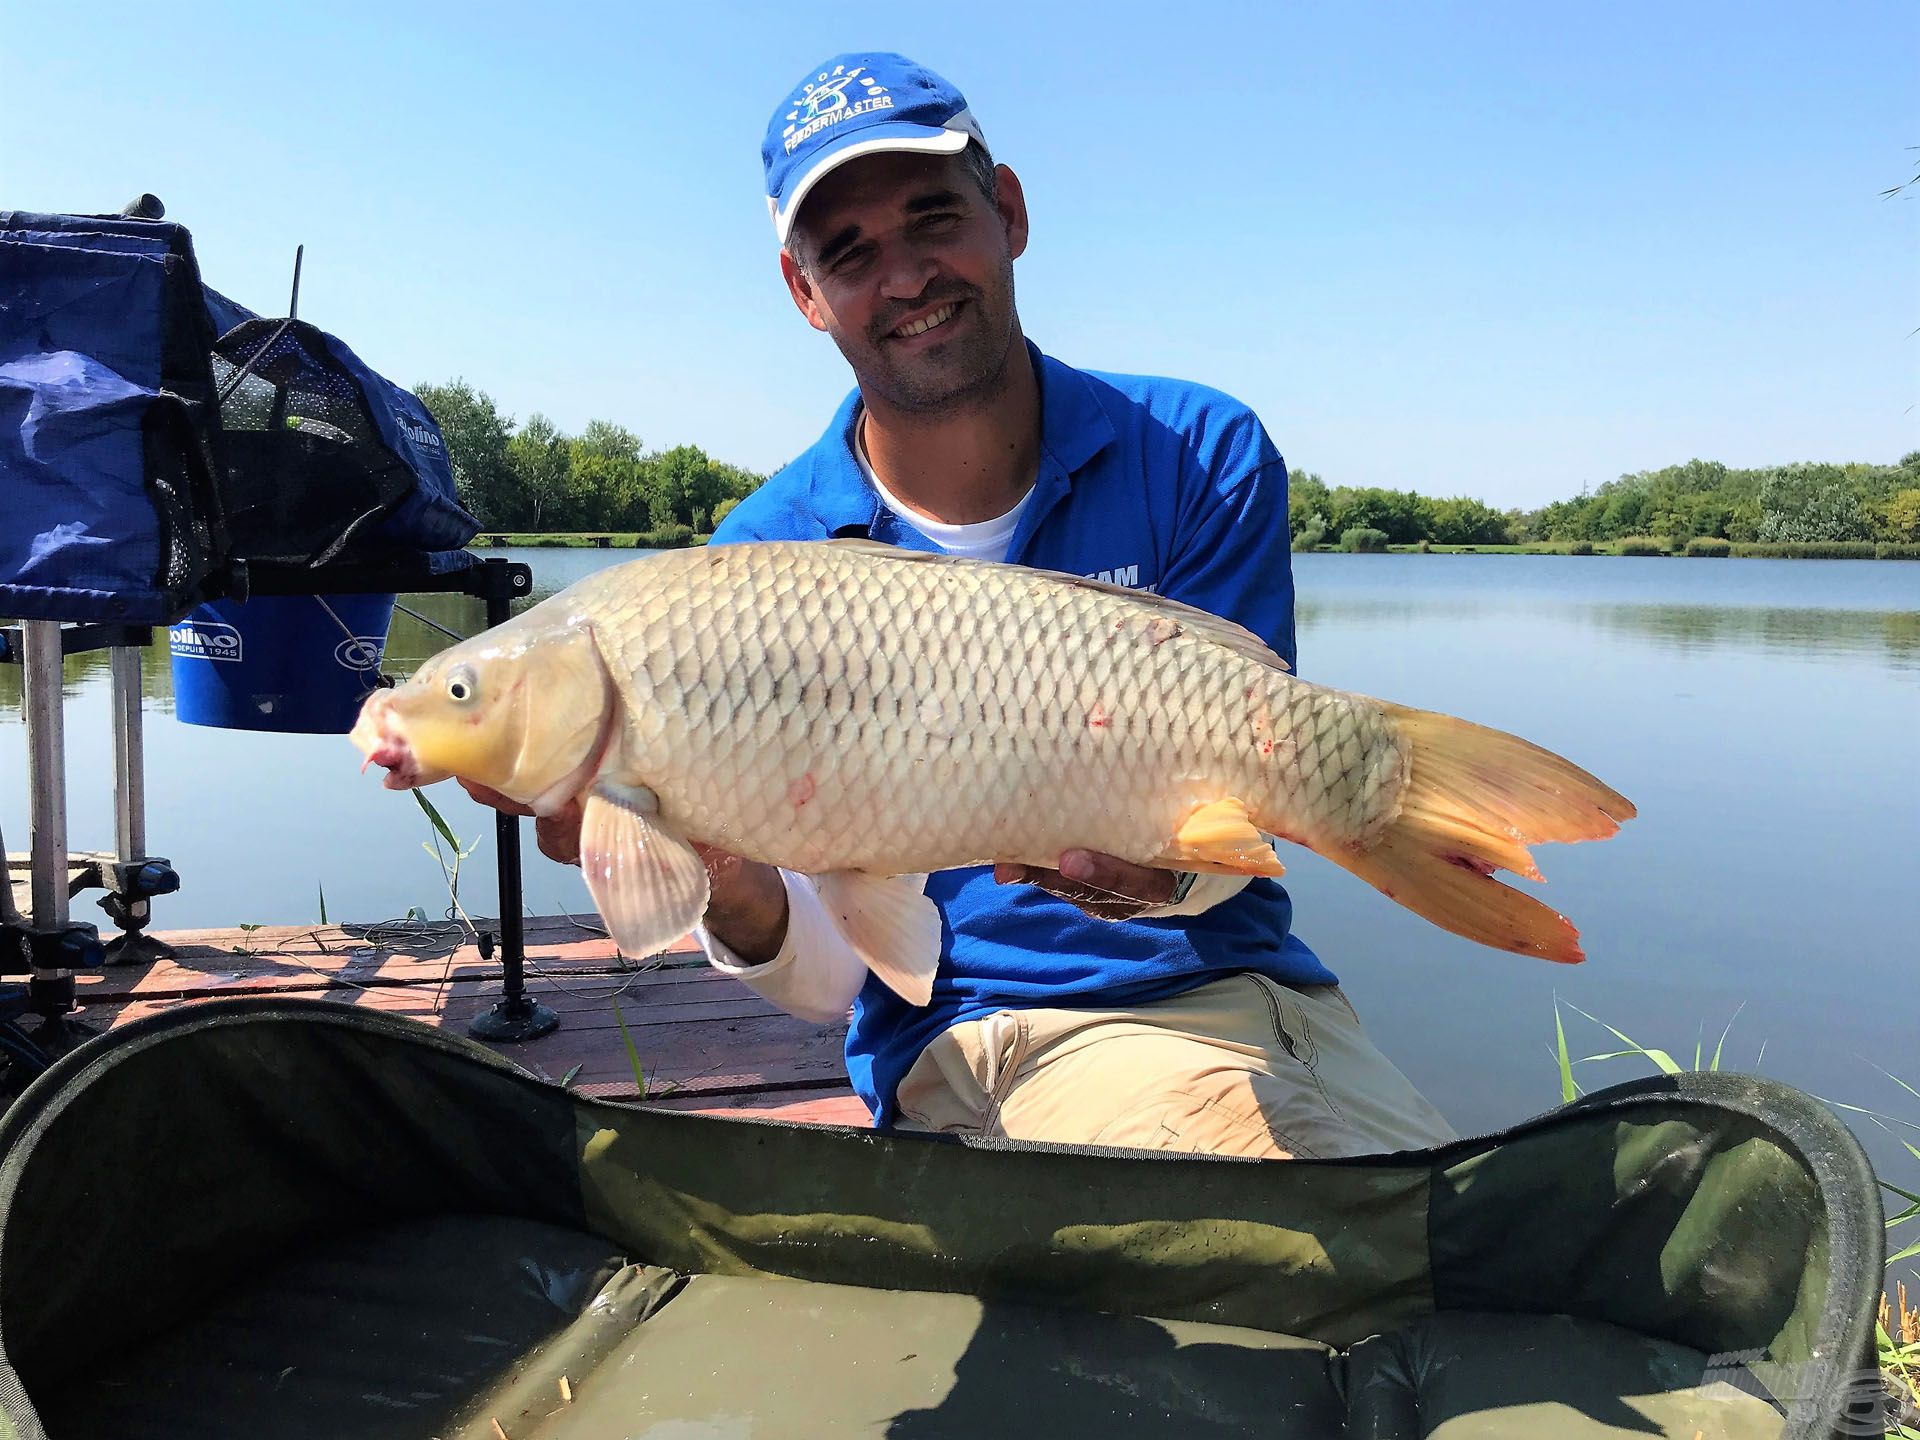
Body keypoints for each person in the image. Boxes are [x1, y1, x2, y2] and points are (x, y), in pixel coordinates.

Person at [470, 52, 1453, 1160]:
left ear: (1010, 212)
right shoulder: (750, 567)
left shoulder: (1199, 452)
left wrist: (1164, 872)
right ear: (805, 294)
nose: (904, 277)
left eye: (933, 219)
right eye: (849, 254)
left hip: (1270, 1001)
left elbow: (1241, 830)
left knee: (1486, 1274)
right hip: (997, 1033)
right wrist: (724, 883)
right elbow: (845, 972)